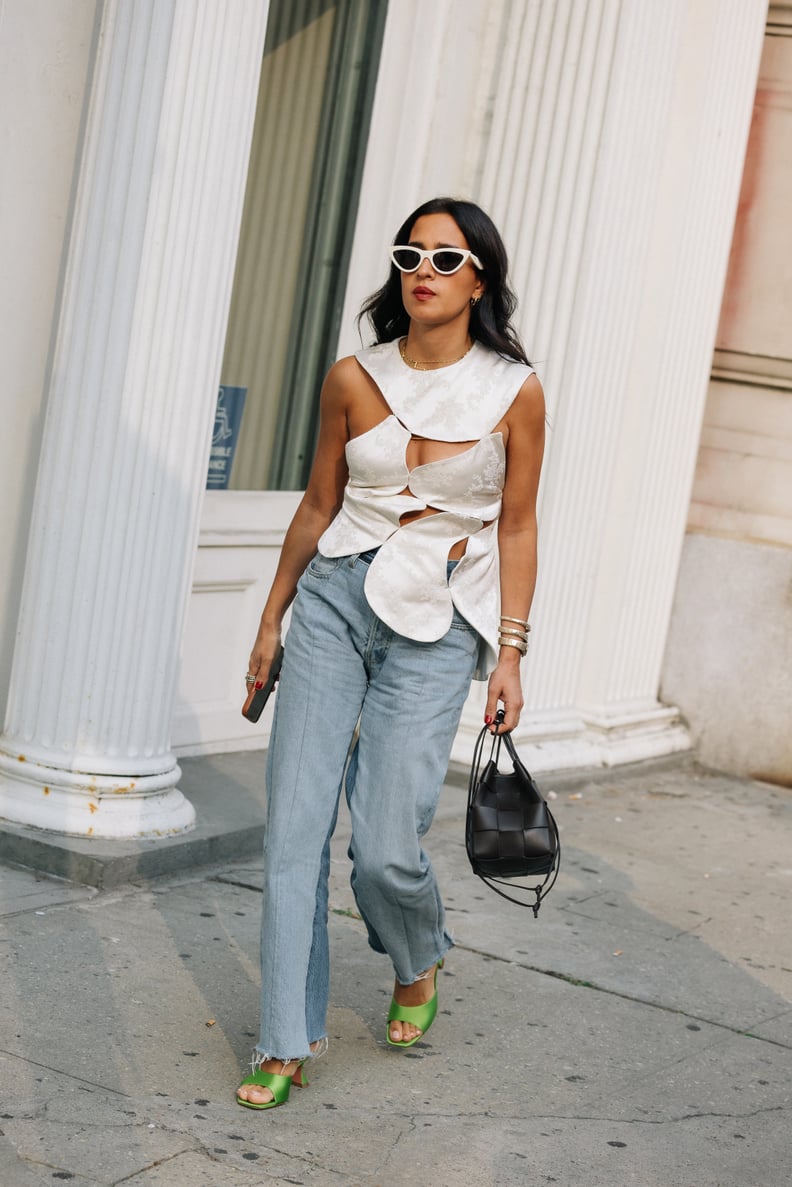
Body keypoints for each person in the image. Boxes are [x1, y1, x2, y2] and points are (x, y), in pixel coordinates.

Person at [236, 196, 545, 1109]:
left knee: (382, 847)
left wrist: (511, 654)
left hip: (441, 617)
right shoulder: (351, 377)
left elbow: (519, 525)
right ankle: (283, 1038)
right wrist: (270, 618)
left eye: (446, 259)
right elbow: (316, 503)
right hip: (334, 600)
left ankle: (418, 954)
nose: (424, 271)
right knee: (293, 826)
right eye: (411, 254)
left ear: (480, 278)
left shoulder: (512, 392)